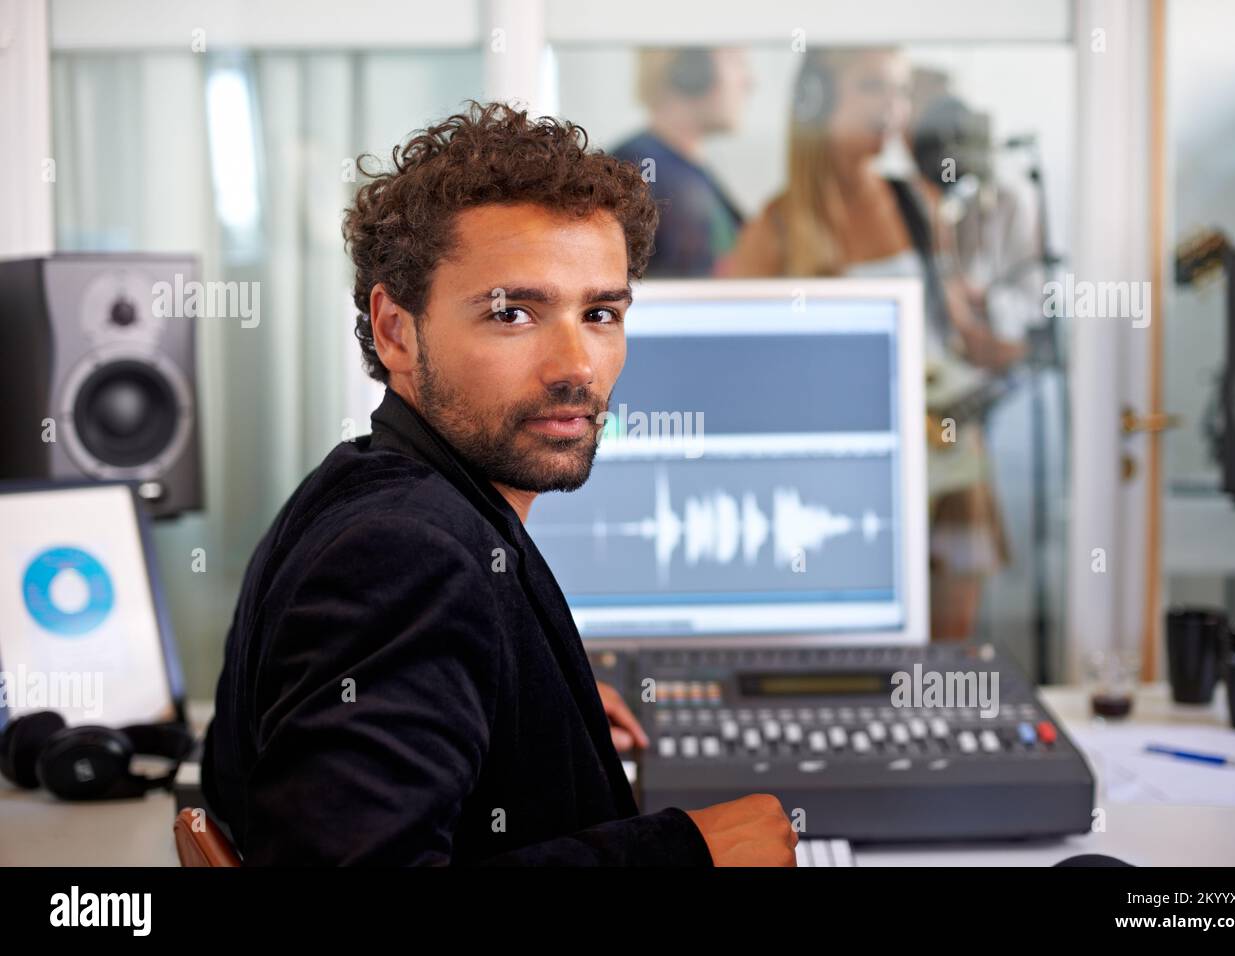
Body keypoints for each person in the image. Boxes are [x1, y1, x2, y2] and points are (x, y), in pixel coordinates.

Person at [201, 101, 797, 866]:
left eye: (601, 313)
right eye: (513, 313)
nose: (576, 366)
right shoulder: (402, 556)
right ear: (396, 332)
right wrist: (685, 854)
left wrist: (531, 707)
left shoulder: (361, 487)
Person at [723, 47, 1022, 641]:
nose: (894, 108)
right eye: (873, 88)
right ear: (817, 105)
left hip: (947, 463)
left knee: (947, 645)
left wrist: (1017, 342)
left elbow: (959, 332)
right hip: (841, 478)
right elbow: (738, 370)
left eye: (902, 91)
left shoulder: (917, 202)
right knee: (851, 647)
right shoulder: (775, 228)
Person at [611, 48, 752, 277]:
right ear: (692, 71)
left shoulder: (688, 168)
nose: (749, 81)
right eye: (736, 61)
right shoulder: (642, 165)